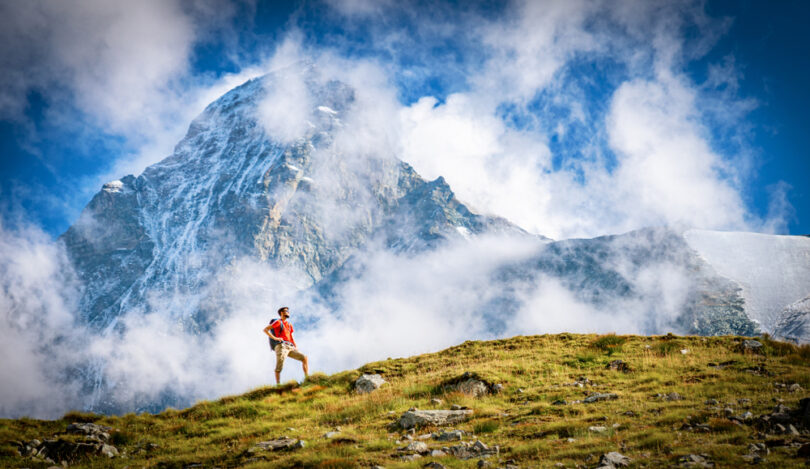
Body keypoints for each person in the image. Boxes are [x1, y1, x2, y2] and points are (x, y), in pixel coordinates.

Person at [263, 306, 308, 385]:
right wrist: (275, 338)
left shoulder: (289, 325)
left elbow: (291, 336)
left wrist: (295, 346)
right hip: (281, 346)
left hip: (290, 346)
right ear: (281, 313)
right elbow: (265, 329)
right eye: (286, 311)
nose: (288, 312)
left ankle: (307, 379)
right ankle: (278, 386)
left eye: (288, 311)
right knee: (279, 367)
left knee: (304, 358)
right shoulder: (278, 322)